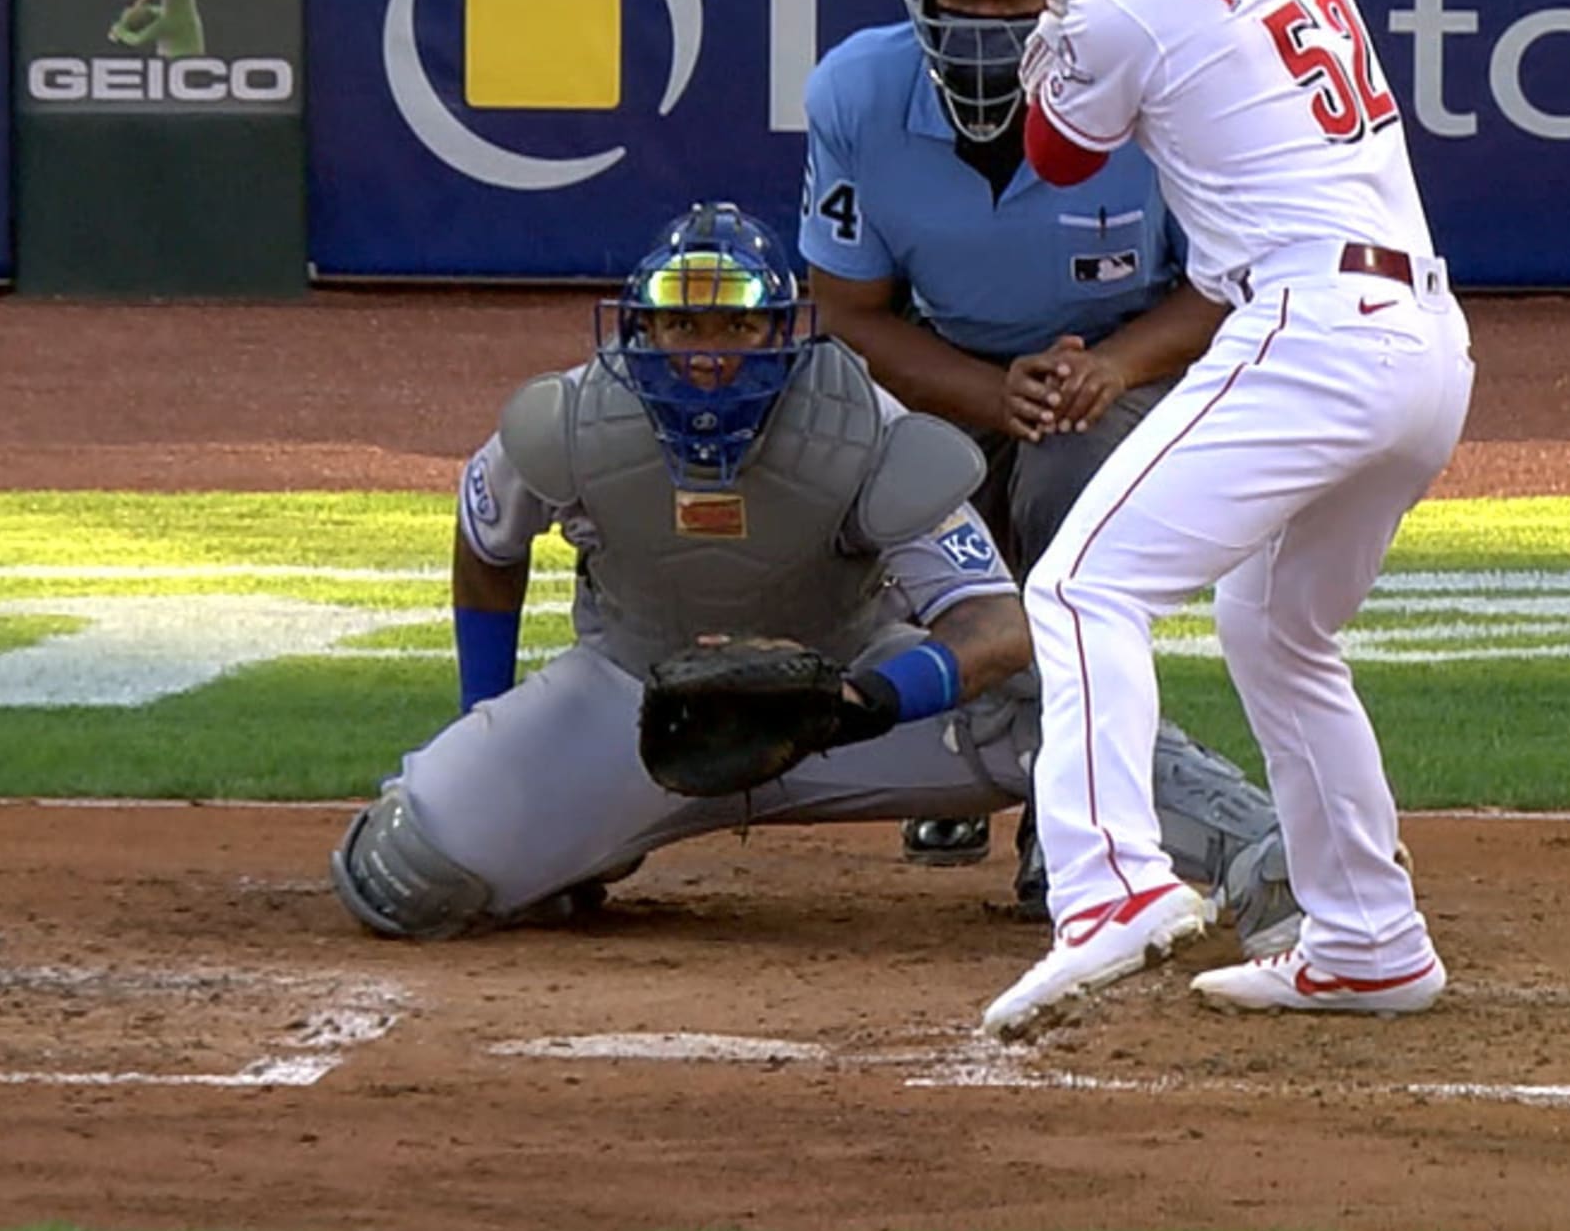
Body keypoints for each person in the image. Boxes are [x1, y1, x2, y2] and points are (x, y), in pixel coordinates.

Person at [980, 0, 1475, 1036]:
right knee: (1273, 626)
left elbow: (1054, 148)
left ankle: (1110, 888)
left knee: (1081, 584)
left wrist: (1064, 17)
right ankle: (1370, 938)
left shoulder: (1112, 13)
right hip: (1421, 348)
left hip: (1313, 328)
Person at [800, 0, 1307, 952]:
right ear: (918, 2)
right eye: (964, 5)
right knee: (899, 496)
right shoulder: (854, 91)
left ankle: (1062, 815)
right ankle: (956, 758)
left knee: (1076, 516)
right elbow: (844, 312)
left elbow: (1231, 280)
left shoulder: (1168, 75)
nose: (988, 31)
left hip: (1124, 362)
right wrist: (992, 391)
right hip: (945, 363)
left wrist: (1114, 368)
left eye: (1014, 6)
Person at [330, 201, 1046, 939]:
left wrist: (863, 700)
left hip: (840, 710)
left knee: (1073, 707)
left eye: (736, 326)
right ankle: (592, 837)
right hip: (632, 705)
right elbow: (487, 544)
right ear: (644, 330)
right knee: (402, 874)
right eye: (683, 325)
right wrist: (482, 716)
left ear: (780, 332)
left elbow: (995, 625)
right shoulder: (569, 422)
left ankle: (1079, 858)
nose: (708, 356)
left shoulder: (864, 425)